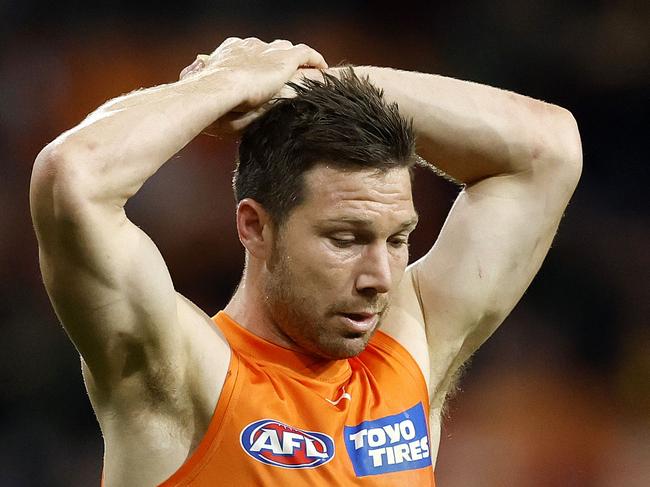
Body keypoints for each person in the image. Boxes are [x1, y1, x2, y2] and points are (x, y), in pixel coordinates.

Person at [30, 37, 582, 486]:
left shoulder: (412, 349)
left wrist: (308, 81)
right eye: (345, 239)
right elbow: (73, 178)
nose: (380, 279)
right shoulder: (179, 378)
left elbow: (549, 149)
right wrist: (228, 85)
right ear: (255, 227)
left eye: (397, 239)